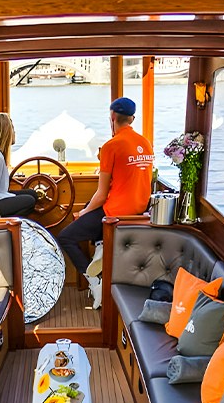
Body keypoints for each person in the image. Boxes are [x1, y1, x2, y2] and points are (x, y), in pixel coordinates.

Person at [54, 96, 154, 307]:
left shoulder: (111, 146)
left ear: (112, 117)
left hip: (113, 215)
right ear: (132, 119)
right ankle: (100, 248)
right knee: (91, 223)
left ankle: (94, 282)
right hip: (139, 214)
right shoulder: (146, 144)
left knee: (66, 237)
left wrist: (84, 212)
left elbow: (100, 195)